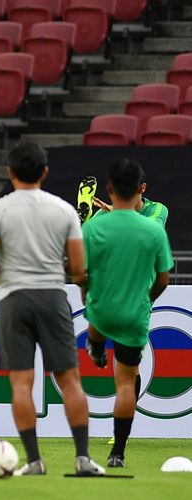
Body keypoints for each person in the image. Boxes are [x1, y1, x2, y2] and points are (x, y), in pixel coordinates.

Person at [0, 143, 104, 476]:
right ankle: (83, 459)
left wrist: (1, 280)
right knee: (71, 380)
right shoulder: (62, 210)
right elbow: (78, 267)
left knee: (21, 384)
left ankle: (34, 461)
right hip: (51, 296)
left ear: (9, 172)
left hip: (13, 299)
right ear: (45, 172)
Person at [81, 159, 173, 468]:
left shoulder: (153, 212)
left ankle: (94, 344)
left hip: (102, 307)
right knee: (126, 381)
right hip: (135, 309)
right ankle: (117, 453)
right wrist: (146, 300)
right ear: (139, 188)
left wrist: (104, 214)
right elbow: (163, 278)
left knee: (97, 321)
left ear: (109, 188)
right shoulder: (150, 231)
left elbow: (82, 273)